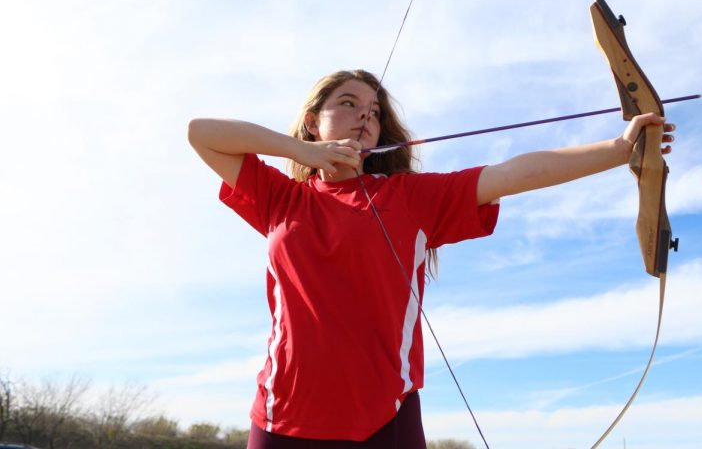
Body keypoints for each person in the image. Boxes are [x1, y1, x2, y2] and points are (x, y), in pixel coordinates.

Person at [187, 69, 675, 449]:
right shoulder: (281, 198)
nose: (365, 116)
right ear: (315, 120)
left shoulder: (411, 197)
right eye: (348, 103)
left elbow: (511, 174)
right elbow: (201, 132)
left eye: (374, 111)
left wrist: (619, 149)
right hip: (283, 418)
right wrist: (300, 152)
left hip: (385, 420)